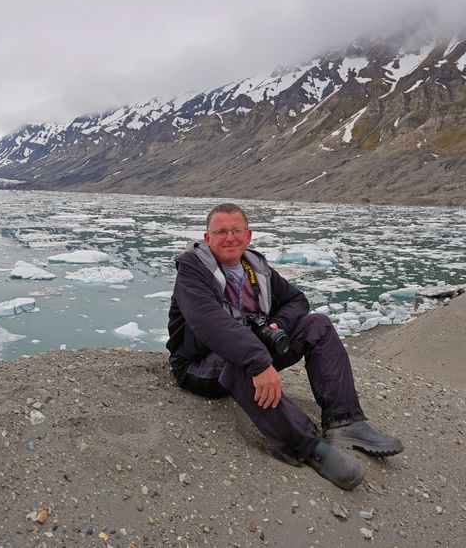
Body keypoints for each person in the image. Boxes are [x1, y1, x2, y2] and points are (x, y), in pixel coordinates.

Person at [166, 203, 403, 491]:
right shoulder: (193, 269)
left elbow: (297, 300)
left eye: (236, 230)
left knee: (318, 325)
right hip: (199, 364)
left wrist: (279, 324)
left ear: (248, 235)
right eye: (221, 232)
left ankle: (345, 422)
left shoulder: (256, 266)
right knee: (239, 358)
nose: (230, 237)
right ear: (207, 238)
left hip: (254, 352)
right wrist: (258, 361)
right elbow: (209, 322)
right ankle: (308, 446)